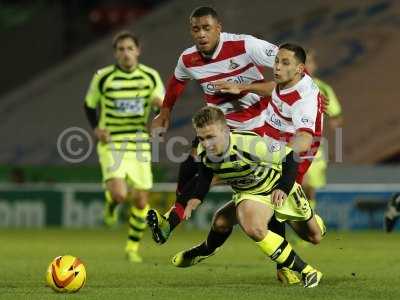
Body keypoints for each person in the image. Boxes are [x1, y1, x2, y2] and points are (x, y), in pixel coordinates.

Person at [172, 106, 324, 288]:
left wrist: (283, 188)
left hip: (277, 189)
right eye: (202, 138)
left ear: (226, 131)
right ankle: (307, 271)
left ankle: (312, 222)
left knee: (315, 237)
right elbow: (205, 175)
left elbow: (290, 157)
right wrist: (195, 199)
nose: (206, 144)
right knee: (231, 224)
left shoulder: (251, 145)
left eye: (211, 137)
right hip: (251, 195)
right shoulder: (204, 152)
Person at [83, 30, 165, 263]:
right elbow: (89, 105)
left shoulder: (150, 76)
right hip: (112, 143)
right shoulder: (103, 77)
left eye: (130, 48)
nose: (126, 53)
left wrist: (158, 111)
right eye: (121, 49)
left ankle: (132, 248)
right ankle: (112, 204)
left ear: (138, 50)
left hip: (138, 144)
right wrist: (96, 129)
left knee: (140, 200)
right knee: (120, 194)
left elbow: (161, 105)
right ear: (115, 53)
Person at [301, 49, 343, 209]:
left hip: (314, 147)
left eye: (310, 62)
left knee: (309, 188)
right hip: (288, 144)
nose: (306, 65)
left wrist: (335, 122)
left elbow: (336, 116)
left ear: (315, 65)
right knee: (297, 185)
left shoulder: (322, 88)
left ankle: (305, 231)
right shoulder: (282, 87)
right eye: (303, 62)